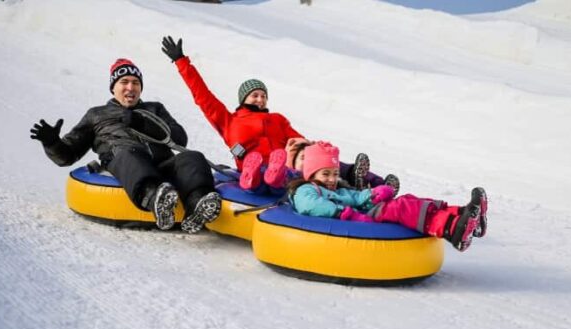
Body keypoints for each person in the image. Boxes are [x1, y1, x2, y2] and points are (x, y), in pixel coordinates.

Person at [160, 36, 398, 194]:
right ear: (243, 99)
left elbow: (298, 140)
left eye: (263, 95)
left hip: (286, 163)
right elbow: (203, 96)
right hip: (256, 166)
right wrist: (182, 62)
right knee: (270, 171)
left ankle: (374, 182)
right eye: (254, 95)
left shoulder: (277, 119)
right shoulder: (228, 120)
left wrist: (315, 150)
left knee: (325, 162)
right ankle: (256, 175)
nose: (260, 99)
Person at [30, 58, 222, 233]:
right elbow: (67, 155)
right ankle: (156, 199)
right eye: (124, 82)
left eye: (136, 83)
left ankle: (197, 206)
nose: (130, 87)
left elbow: (180, 139)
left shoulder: (154, 109)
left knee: (193, 156)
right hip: (126, 162)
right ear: (113, 87)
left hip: (163, 165)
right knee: (130, 152)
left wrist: (143, 123)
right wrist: (52, 142)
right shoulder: (96, 115)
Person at [288, 141, 488, 252]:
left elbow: (355, 197)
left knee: (409, 200)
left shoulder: (338, 190)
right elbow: (311, 206)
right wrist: (344, 213)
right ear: (311, 173)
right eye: (326, 173)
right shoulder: (307, 189)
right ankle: (453, 229)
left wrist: (373, 194)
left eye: (335, 173)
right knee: (402, 208)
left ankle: (464, 215)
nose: (332, 178)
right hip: (362, 219)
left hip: (366, 211)